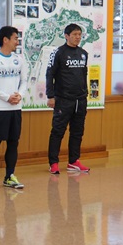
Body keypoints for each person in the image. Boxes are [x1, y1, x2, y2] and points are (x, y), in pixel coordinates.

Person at [0, 26, 28, 190]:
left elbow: (24, 80)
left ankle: (9, 176)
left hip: (15, 108)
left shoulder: (19, 59)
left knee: (13, 142)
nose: (17, 42)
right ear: (5, 40)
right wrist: (6, 97)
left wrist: (19, 95)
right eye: (15, 38)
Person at [47, 23, 90, 174]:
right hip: (63, 100)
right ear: (66, 36)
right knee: (58, 131)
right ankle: (53, 163)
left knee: (77, 132)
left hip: (80, 100)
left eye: (79, 34)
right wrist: (50, 96)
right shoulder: (58, 52)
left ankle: (73, 161)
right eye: (75, 35)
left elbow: (83, 75)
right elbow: (50, 75)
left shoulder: (83, 53)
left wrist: (85, 93)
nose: (78, 37)